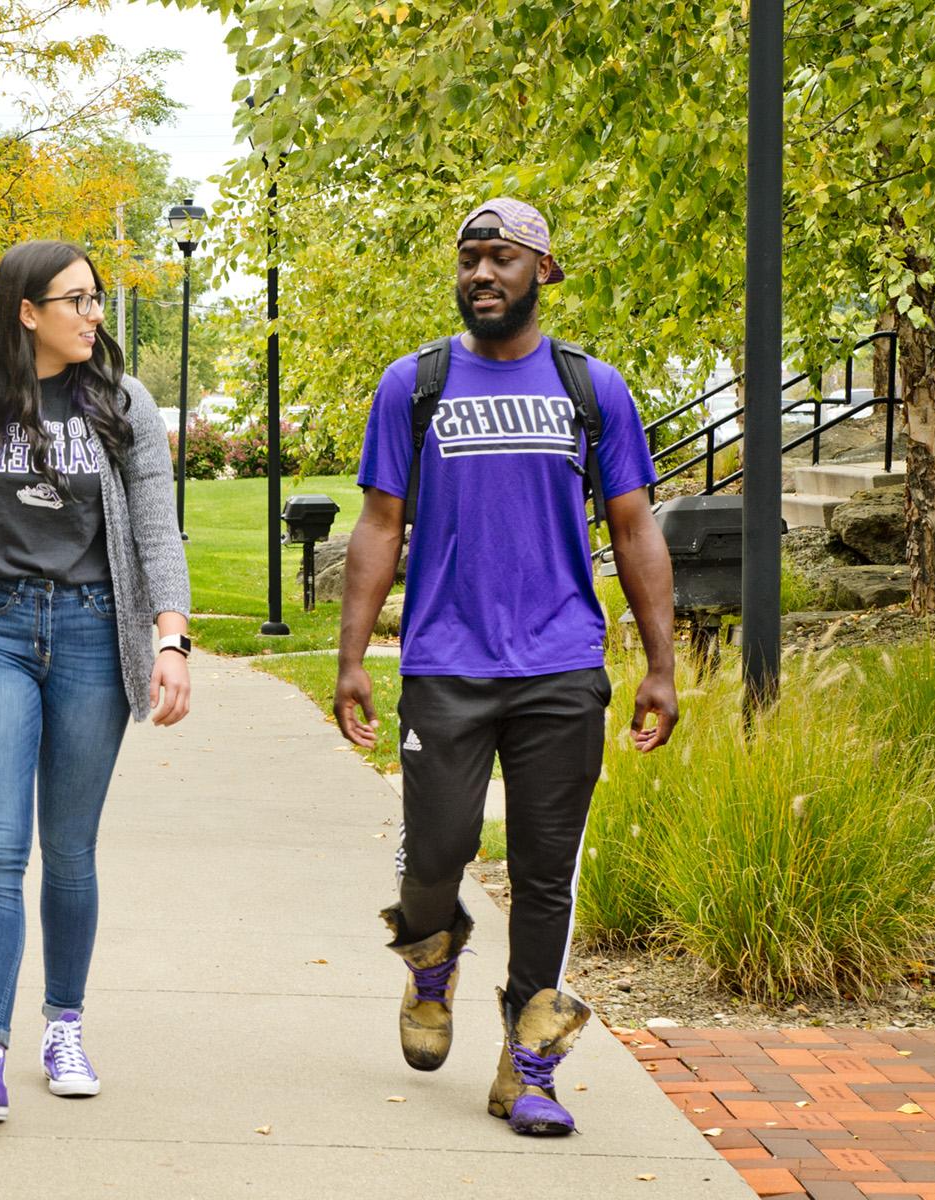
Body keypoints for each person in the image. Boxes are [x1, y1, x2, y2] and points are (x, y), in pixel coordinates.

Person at [334, 199, 679, 1137]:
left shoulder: (591, 387)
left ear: (542, 272)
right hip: (446, 661)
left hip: (562, 662)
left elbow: (635, 526)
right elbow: (378, 525)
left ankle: (529, 1066)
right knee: (436, 852)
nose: (482, 274)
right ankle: (431, 960)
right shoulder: (416, 383)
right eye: (470, 260)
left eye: (501, 259)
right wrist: (354, 657)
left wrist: (659, 663)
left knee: (546, 869)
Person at [0, 240, 193, 1123]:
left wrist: (170, 639)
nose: (94, 314)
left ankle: (66, 1024)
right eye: (77, 301)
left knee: (68, 849)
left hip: (95, 633)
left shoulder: (121, 401)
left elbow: (156, 531)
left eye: (96, 300)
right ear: (27, 311)